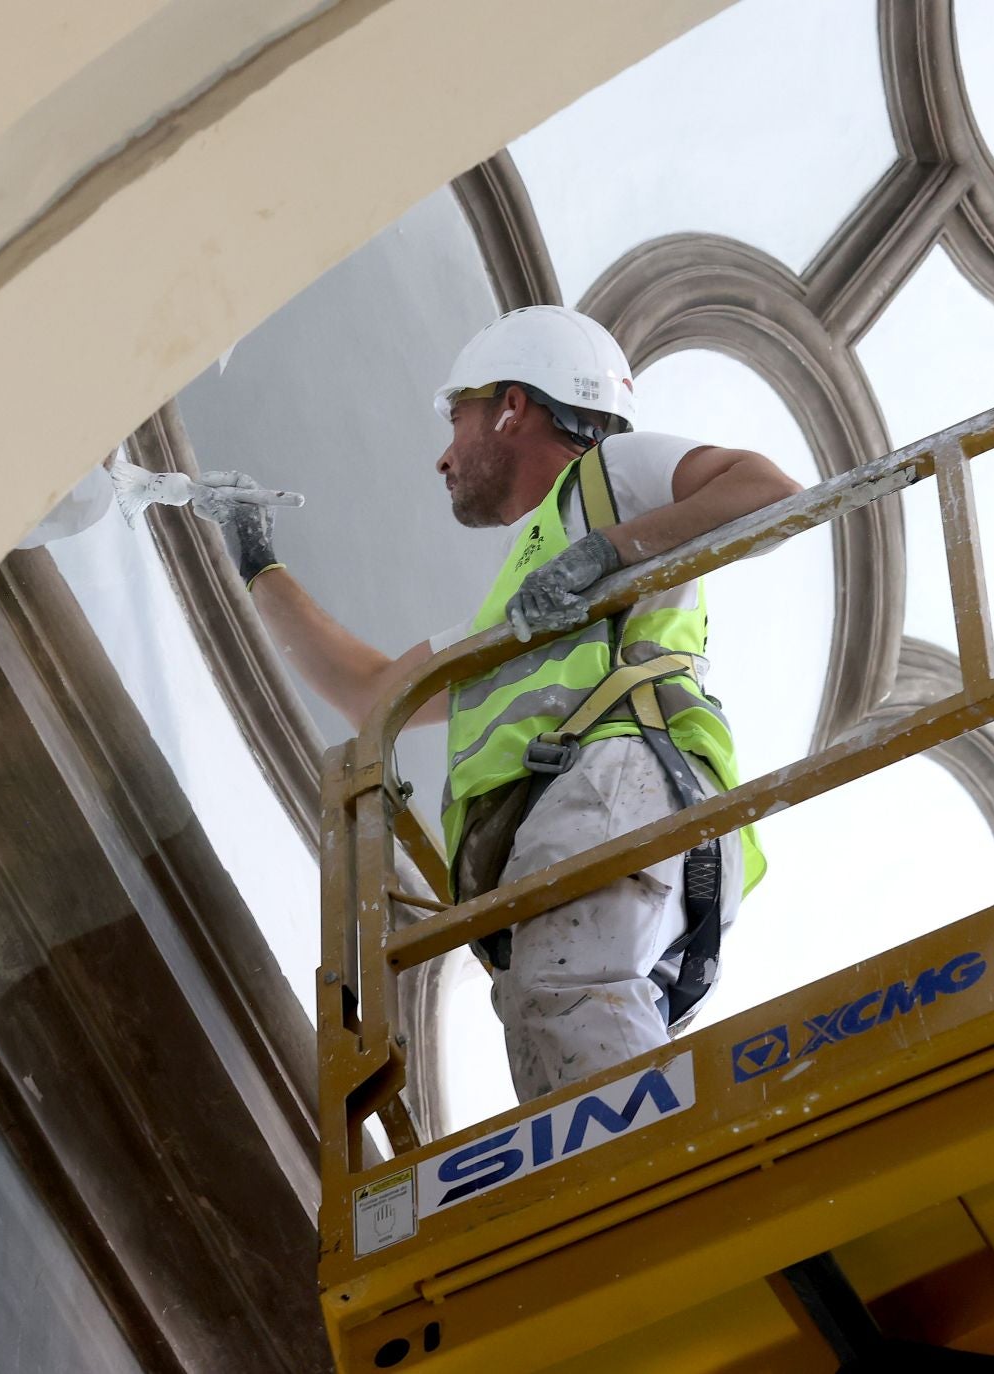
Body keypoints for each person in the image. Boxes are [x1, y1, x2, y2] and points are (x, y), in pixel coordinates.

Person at [194, 305, 799, 1102]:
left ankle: (647, 1194)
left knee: (563, 1006)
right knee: (556, 1029)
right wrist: (256, 558)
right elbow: (375, 696)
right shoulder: (513, 608)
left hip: (618, 788)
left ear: (512, 406)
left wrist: (606, 552)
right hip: (601, 831)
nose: (443, 457)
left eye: (458, 417)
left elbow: (769, 493)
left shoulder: (612, 475)